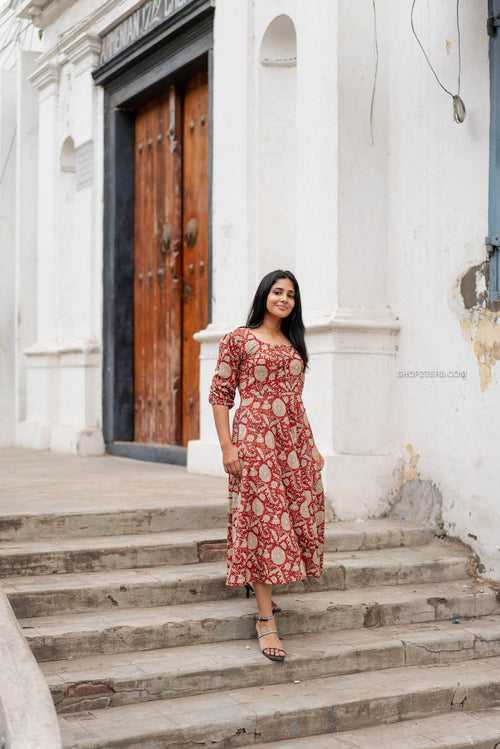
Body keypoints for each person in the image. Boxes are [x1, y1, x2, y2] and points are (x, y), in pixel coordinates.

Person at [208, 269, 326, 663]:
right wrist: (228, 446)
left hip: (292, 443)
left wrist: (311, 449)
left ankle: (266, 602)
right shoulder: (238, 340)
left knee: (291, 517)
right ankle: (264, 618)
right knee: (263, 522)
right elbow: (220, 396)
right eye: (278, 292)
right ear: (264, 295)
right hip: (255, 439)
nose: (284, 299)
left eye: (291, 294)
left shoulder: (294, 344)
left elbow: (296, 402)